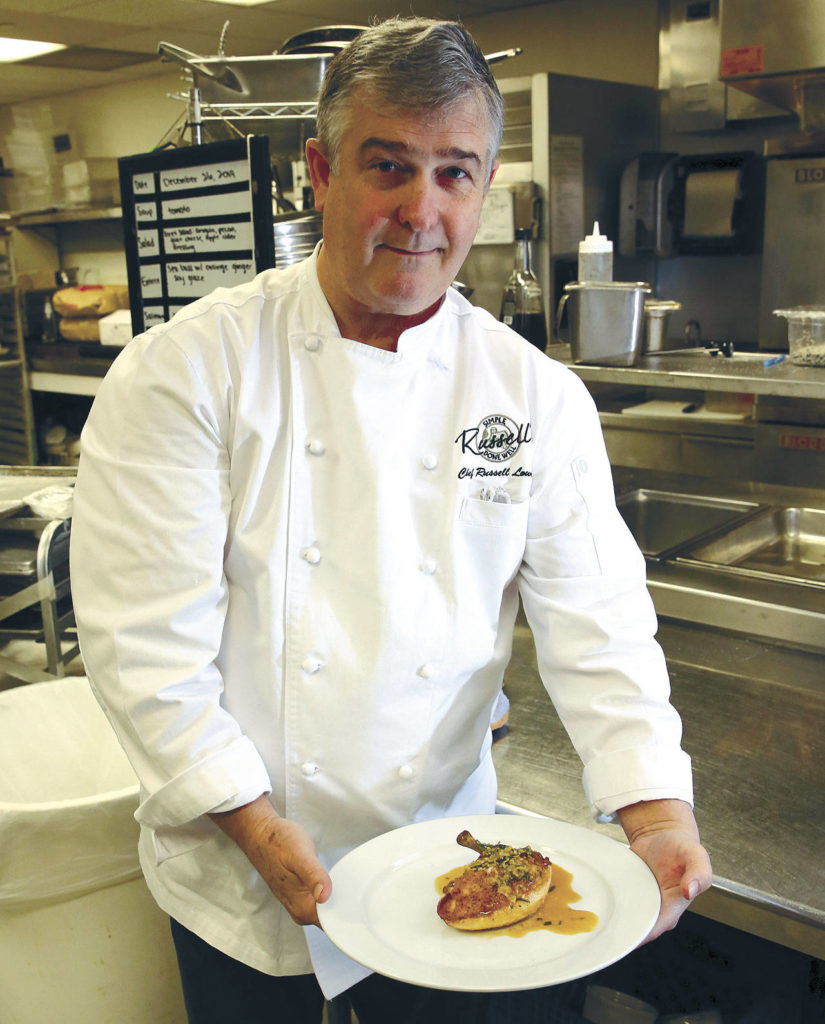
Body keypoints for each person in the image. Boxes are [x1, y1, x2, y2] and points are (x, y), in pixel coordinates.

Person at [70, 16, 712, 1024]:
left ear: (485, 185)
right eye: (389, 166)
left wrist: (654, 804)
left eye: (455, 173)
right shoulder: (189, 370)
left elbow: (602, 624)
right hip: (233, 867)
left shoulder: (534, 394)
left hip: (439, 859)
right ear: (321, 172)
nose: (422, 210)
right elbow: (145, 646)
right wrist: (246, 817)